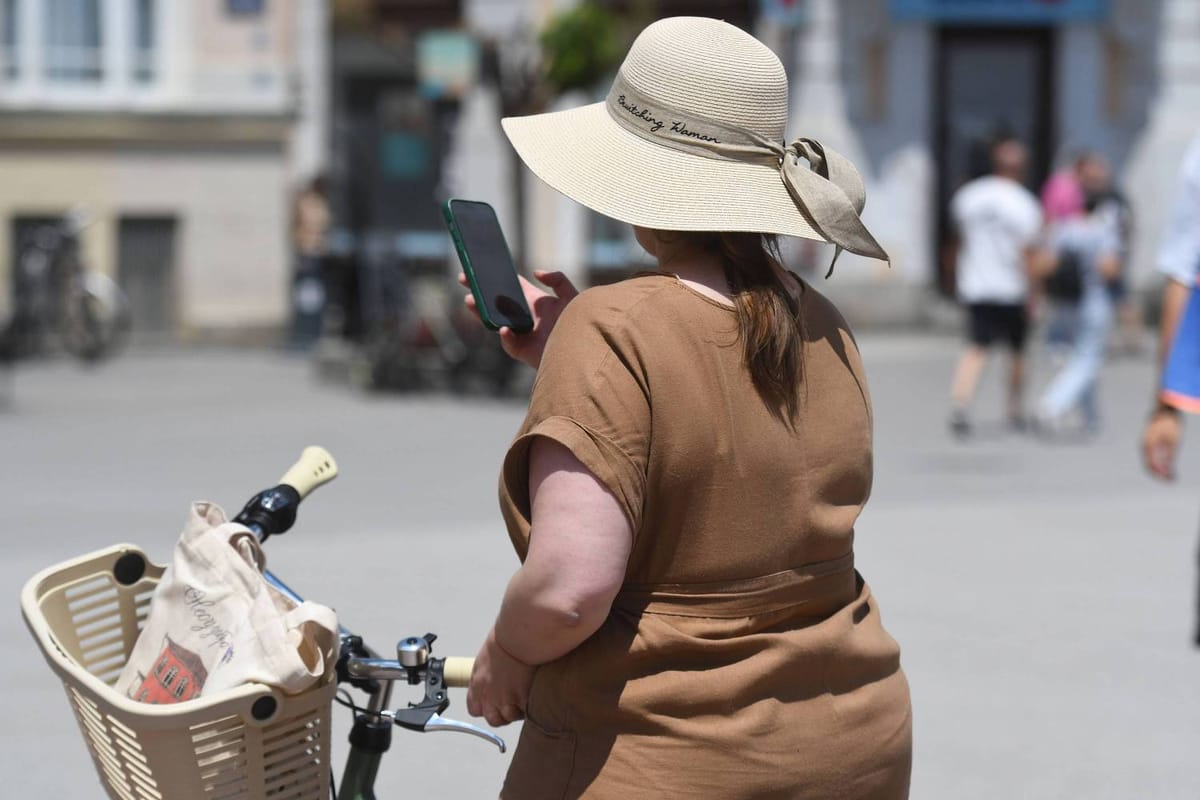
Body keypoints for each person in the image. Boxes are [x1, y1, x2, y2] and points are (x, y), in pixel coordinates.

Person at [459, 17, 911, 799]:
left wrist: (508, 651)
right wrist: (572, 353)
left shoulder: (617, 327)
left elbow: (569, 587)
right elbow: (732, 426)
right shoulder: (823, 323)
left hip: (663, 751)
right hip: (852, 740)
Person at [947, 138, 1045, 437]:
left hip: (976, 284)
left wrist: (955, 275)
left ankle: (960, 403)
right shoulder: (1024, 203)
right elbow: (1029, 254)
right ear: (1021, 168)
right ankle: (1014, 409)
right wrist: (1035, 293)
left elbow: (957, 239)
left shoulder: (969, 197)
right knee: (1017, 351)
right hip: (1011, 287)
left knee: (976, 347)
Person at [1034, 192, 1121, 434]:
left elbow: (1045, 264)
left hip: (1066, 303)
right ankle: (1051, 405)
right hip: (1094, 302)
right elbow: (1110, 269)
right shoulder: (1103, 231)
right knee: (1087, 359)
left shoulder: (1064, 230)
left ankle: (1091, 417)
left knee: (1081, 356)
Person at [290, 175, 331, 349]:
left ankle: (313, 334)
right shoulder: (306, 202)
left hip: (319, 253)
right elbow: (302, 225)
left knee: (316, 297)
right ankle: (303, 335)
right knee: (306, 297)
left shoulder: (323, 203)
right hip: (307, 252)